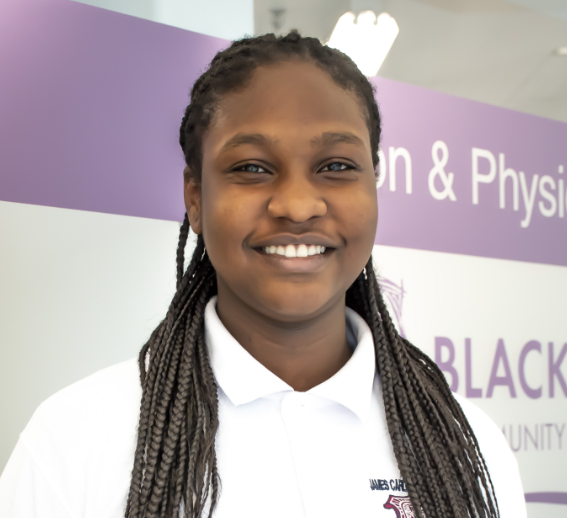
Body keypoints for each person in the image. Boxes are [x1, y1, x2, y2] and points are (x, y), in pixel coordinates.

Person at [0, 32, 526, 518]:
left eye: (337, 166)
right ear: (195, 198)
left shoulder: (464, 444)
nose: (297, 205)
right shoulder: (75, 439)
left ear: (374, 186)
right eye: (252, 168)